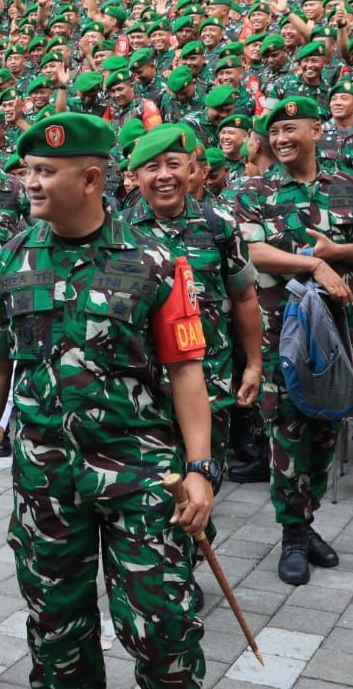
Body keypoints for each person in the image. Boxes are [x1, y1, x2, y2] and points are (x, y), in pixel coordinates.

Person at [0, 111, 215, 687]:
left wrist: (199, 468)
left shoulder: (153, 261)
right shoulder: (11, 259)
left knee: (162, 627)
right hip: (47, 479)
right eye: (28, 170)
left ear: (93, 179)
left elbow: (186, 371)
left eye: (45, 171)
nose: (30, 183)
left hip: (142, 477)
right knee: (56, 631)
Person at [234, 96, 353, 586]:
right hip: (281, 332)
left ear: (317, 131)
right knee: (288, 429)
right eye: (274, 133)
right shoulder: (254, 189)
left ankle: (307, 519)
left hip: (336, 332)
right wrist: (315, 264)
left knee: (326, 425)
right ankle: (292, 535)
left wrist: (338, 251)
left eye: (291, 130)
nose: (281, 139)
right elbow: (255, 252)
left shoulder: (349, 184)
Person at [123, 123, 264, 477]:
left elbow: (244, 296)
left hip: (208, 380)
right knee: (150, 498)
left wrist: (254, 364)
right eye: (152, 167)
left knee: (202, 483)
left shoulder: (218, 224)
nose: (164, 176)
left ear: (191, 169)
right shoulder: (119, 231)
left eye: (173, 164)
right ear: (136, 175)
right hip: (141, 389)